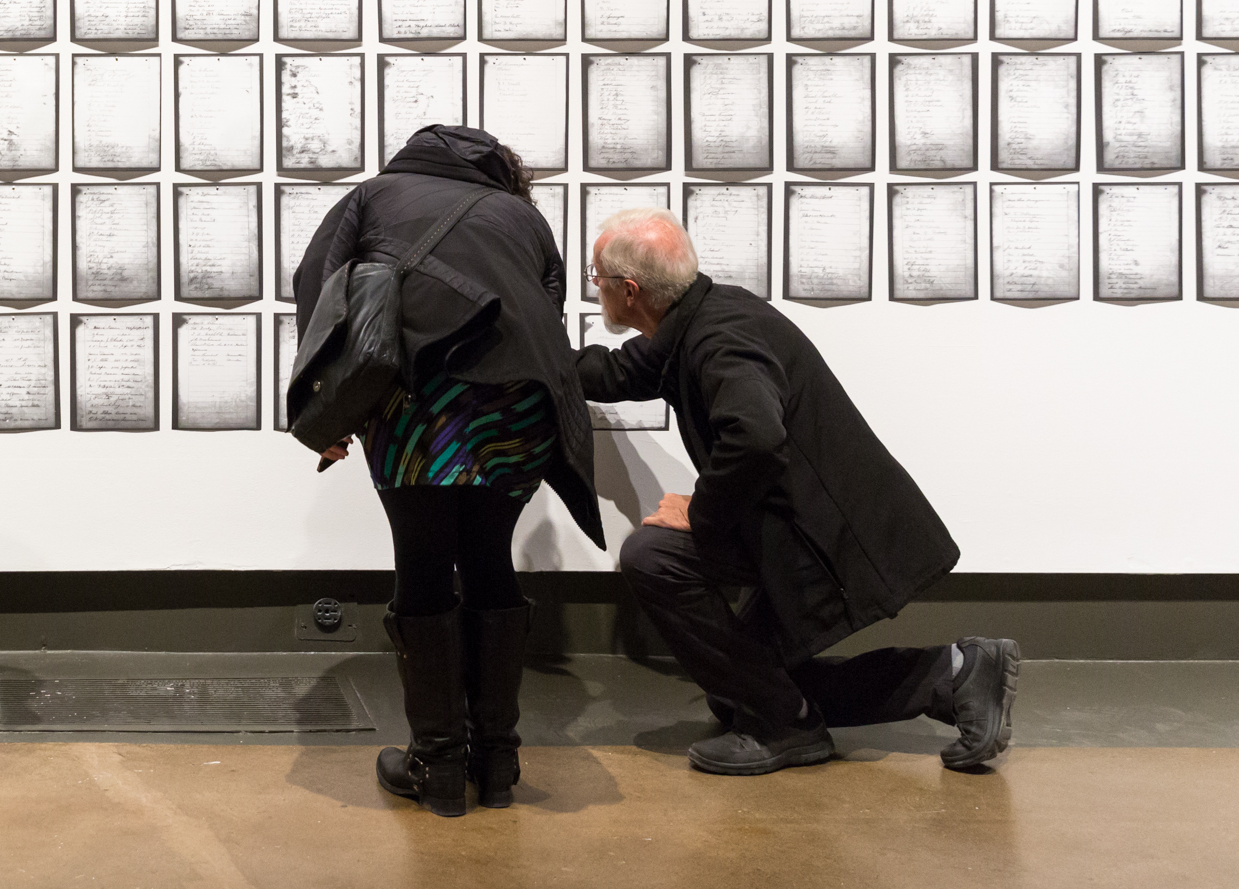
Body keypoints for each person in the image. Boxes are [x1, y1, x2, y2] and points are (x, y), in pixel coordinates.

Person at [580, 208, 1019, 776]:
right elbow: (617, 374)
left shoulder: (720, 339)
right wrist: (531, 361)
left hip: (818, 537)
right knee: (741, 692)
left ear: (630, 290)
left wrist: (701, 513)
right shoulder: (696, 315)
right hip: (792, 525)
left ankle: (787, 726)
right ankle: (952, 674)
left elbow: (756, 438)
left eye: (597, 279)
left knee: (652, 556)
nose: (596, 290)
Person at [295, 124, 607, 817]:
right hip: (521, 402)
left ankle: (437, 766)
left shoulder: (372, 197)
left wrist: (328, 411)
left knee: (425, 561)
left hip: (419, 405)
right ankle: (497, 762)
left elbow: (321, 289)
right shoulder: (523, 216)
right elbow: (547, 304)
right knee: (490, 554)